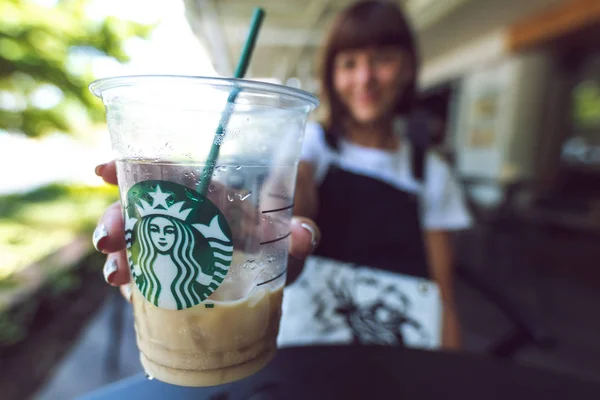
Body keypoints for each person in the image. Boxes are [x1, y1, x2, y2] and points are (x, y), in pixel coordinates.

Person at [285, 0, 471, 350]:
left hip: (397, 348)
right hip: (310, 339)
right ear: (331, 74)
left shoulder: (430, 172)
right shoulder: (314, 145)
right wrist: (279, 205)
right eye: (349, 63)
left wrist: (453, 372)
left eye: (382, 59)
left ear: (407, 68)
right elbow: (298, 184)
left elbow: (442, 292)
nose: (365, 78)